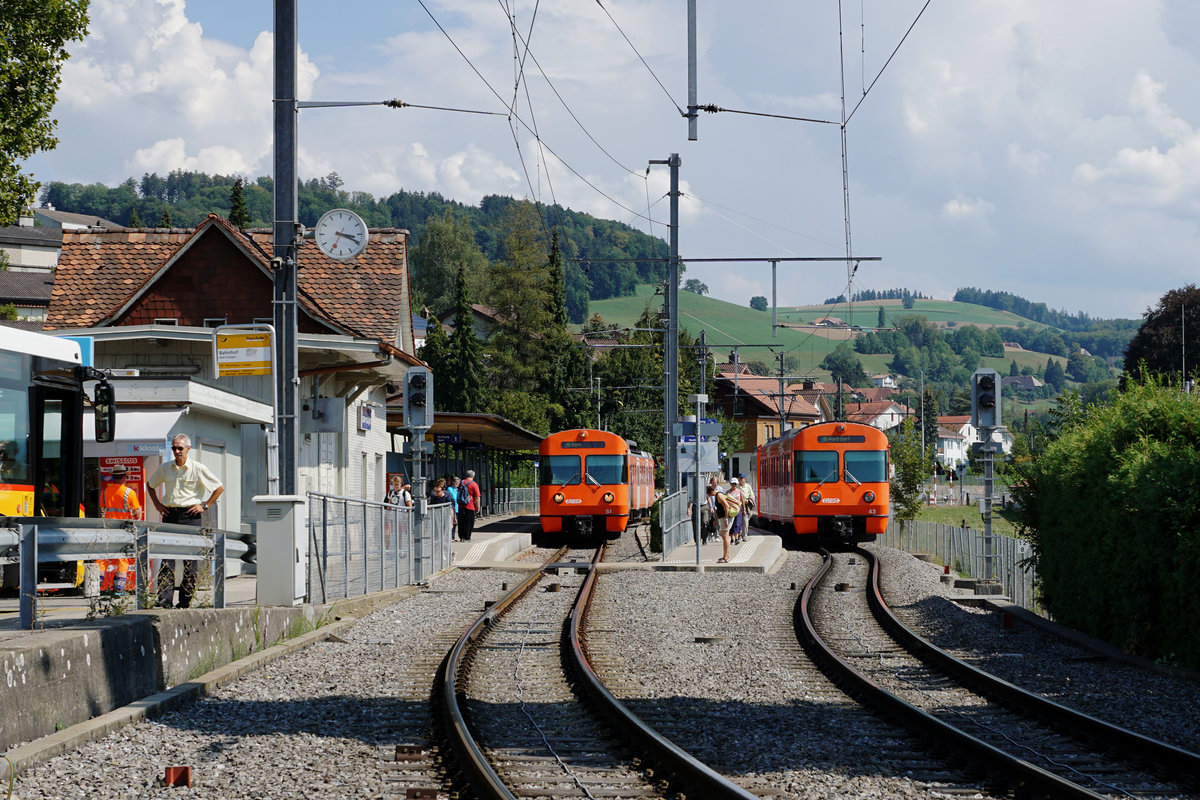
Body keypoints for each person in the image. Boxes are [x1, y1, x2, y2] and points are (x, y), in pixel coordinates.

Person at [147, 434, 224, 609]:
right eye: (174, 448)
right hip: (170, 515)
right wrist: (157, 504)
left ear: (188, 449)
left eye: (180, 448)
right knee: (167, 560)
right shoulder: (166, 467)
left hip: (190, 517)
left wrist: (205, 505)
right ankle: (165, 600)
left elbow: (219, 487)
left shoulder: (197, 468)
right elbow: (150, 485)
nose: (176, 451)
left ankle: (185, 600)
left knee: (190, 562)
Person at [99, 464, 142, 593]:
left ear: (113, 477)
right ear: (124, 477)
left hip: (107, 529)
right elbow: (137, 514)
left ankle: (96, 587)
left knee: (103, 558)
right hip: (123, 530)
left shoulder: (105, 492)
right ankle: (118, 590)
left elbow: (103, 509)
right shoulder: (130, 493)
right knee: (122, 559)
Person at [715, 480, 742, 564]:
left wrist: (726, 519)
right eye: (732, 483)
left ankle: (726, 557)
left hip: (729, 515)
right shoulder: (725, 492)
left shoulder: (719, 495)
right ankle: (725, 556)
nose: (733, 485)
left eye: (735, 484)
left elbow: (726, 507)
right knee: (725, 535)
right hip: (727, 515)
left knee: (726, 535)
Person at [459, 469, 481, 542]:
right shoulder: (474, 484)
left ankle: (461, 536)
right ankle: (467, 537)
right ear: (473, 476)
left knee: (461, 521)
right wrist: (478, 507)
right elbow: (477, 497)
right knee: (469, 522)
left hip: (461, 505)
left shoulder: (461, 482)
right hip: (470, 505)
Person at [737, 473, 755, 541]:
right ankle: (738, 535)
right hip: (738, 506)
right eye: (740, 478)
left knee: (745, 521)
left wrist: (748, 500)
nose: (741, 480)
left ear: (745, 479)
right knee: (738, 521)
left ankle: (744, 535)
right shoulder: (736, 486)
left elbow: (752, 496)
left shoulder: (748, 487)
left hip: (746, 506)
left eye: (742, 478)